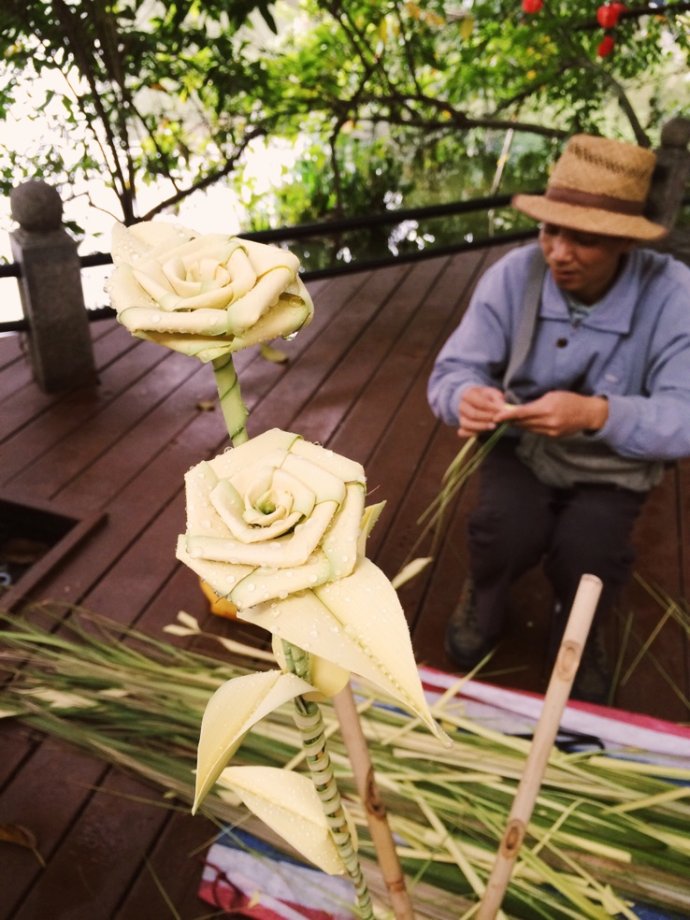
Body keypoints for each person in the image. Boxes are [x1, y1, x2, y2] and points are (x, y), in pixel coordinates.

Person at [427, 133, 690, 702]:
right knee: (502, 533)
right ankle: (485, 598)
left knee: (590, 555)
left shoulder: (673, 295)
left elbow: (683, 417)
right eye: (550, 231)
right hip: (522, 447)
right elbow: (452, 372)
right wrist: (464, 396)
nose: (558, 253)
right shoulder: (512, 276)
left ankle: (579, 631)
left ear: (625, 240)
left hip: (616, 462)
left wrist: (597, 413)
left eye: (584, 239)